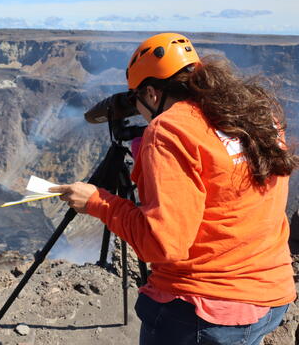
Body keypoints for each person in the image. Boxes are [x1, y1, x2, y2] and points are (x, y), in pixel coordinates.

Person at [49, 32, 299, 345]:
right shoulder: (253, 112)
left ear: (152, 94)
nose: (138, 110)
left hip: (204, 310)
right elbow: (222, 187)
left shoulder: (170, 130)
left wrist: (99, 202)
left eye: (137, 99)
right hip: (270, 293)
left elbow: (161, 246)